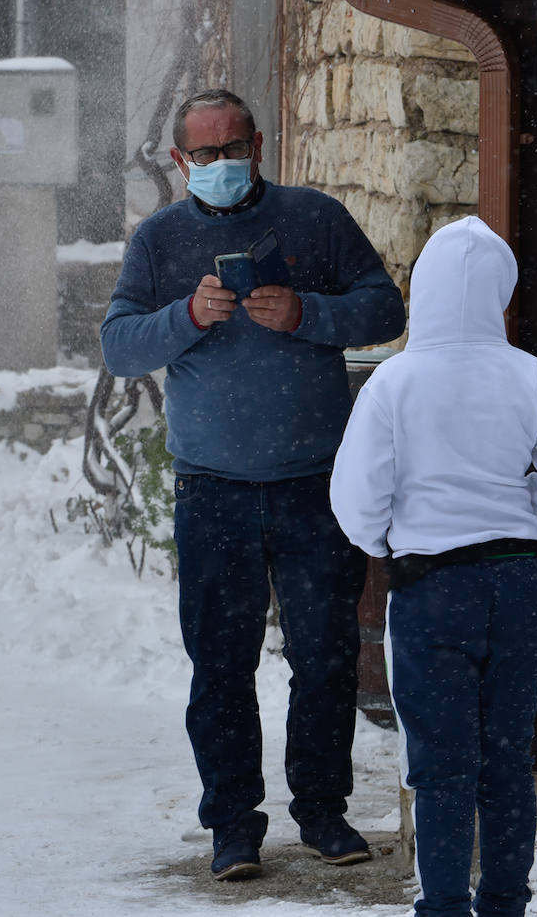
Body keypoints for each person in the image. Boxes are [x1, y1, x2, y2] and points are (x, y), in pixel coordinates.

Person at [101, 88, 405, 881]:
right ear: (180, 162)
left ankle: (324, 812)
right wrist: (187, 318)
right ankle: (233, 827)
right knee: (222, 667)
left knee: (327, 659)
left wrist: (306, 312)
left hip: (315, 484)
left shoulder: (315, 219)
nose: (222, 164)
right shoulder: (161, 241)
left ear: (259, 147)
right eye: (205, 154)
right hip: (213, 490)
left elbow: (382, 307)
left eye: (234, 149)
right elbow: (119, 346)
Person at [330, 215, 537, 917]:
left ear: (424, 290)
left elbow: (356, 497)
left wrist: (386, 542)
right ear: (499, 293)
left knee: (442, 766)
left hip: (431, 586)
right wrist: (520, 509)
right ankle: (505, 903)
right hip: (516, 583)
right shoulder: (533, 377)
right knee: (506, 762)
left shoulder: (395, 382)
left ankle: (444, 906)